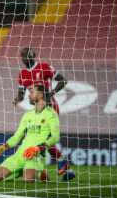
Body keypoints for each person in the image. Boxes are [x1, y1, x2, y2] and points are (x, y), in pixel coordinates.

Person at [13, 47, 76, 181]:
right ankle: (65, 170)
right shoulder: (22, 74)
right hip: (35, 111)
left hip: (49, 107)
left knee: (42, 140)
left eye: (26, 55)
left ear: (33, 55)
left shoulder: (44, 67)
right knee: (42, 141)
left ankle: (42, 172)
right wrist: (18, 98)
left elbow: (63, 80)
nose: (24, 57)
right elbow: (21, 92)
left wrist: (51, 93)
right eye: (22, 55)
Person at [0, 84, 60, 183]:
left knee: (28, 179)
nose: (29, 95)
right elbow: (17, 136)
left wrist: (38, 147)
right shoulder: (27, 115)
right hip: (21, 153)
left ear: (40, 95)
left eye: (32, 92)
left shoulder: (51, 114)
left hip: (37, 154)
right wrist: (5, 146)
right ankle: (22, 170)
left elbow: (55, 137)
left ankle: (39, 172)